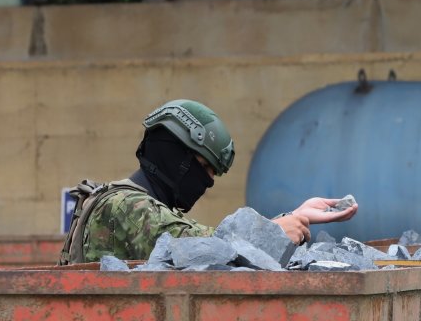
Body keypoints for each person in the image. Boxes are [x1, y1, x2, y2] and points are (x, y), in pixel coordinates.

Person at [59, 99, 357, 265]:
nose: (208, 182)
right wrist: (280, 227)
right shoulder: (125, 207)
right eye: (204, 167)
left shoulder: (144, 208)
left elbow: (214, 244)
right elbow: (206, 247)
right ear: (177, 156)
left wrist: (294, 219)